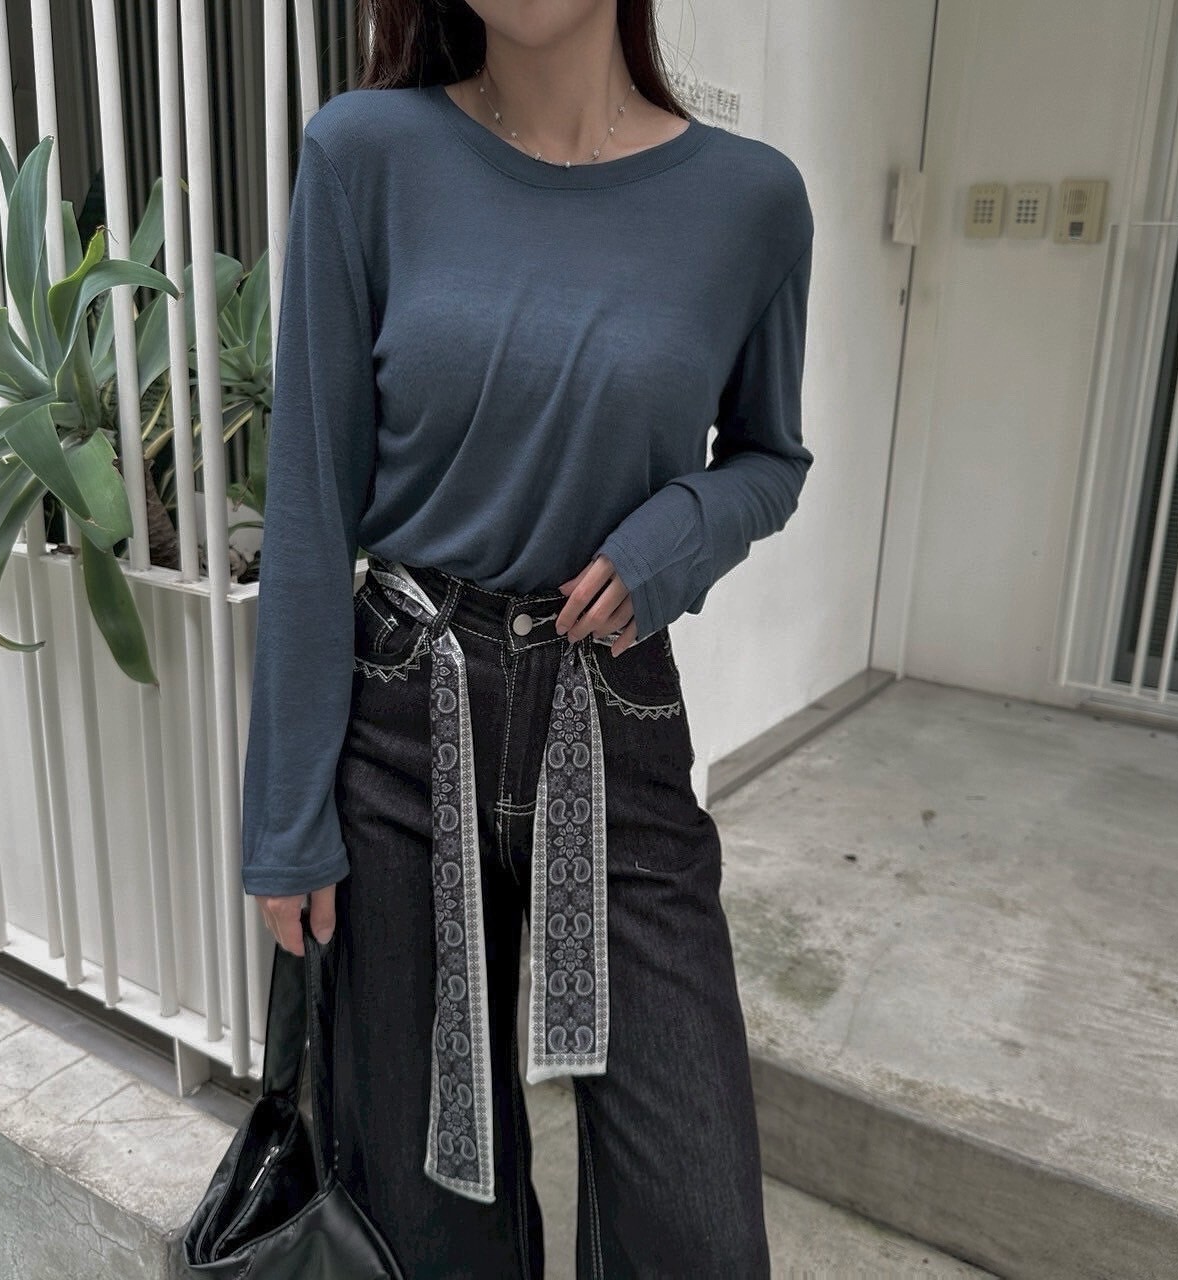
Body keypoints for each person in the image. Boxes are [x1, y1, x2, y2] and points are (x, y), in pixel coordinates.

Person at [240, 0, 815, 1274]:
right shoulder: (364, 154)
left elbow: (768, 457)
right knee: (429, 1216)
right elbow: (309, 500)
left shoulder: (750, 201)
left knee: (696, 1229)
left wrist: (677, 535)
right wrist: (285, 819)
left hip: (612, 715)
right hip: (399, 723)